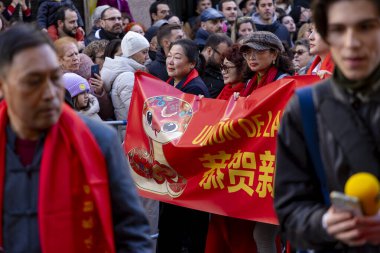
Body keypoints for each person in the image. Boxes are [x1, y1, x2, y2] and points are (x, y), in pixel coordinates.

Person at [0, 23, 152, 253]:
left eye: (54, 78)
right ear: (3, 86)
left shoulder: (99, 140)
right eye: (33, 81)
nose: (51, 93)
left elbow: (132, 234)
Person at [274, 0, 380, 251]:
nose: (351, 42)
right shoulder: (305, 108)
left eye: (365, 27)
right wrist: (324, 223)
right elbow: (290, 212)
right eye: (338, 29)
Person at [157, 39, 210, 253]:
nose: (170, 60)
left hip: (188, 173)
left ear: (191, 65)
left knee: (186, 231)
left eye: (177, 57)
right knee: (172, 228)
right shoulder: (172, 83)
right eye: (170, 55)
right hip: (173, 169)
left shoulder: (195, 88)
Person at [240, 31, 292, 96]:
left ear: (274, 55)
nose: (251, 57)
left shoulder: (283, 82)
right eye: (248, 52)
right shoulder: (249, 82)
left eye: (258, 51)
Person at [200, 33, 233, 98]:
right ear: (209, 51)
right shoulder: (189, 66)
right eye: (222, 58)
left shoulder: (221, 79)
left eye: (228, 58)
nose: (225, 62)